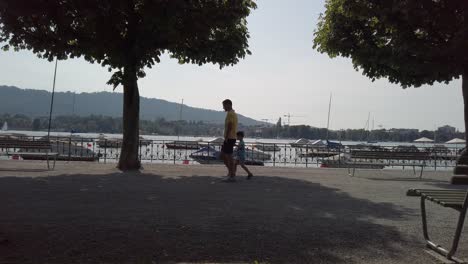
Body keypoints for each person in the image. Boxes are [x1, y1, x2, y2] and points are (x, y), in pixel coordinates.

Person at [220, 99, 238, 181]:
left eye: (224, 105)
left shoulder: (231, 114)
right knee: (224, 155)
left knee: (228, 156)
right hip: (230, 138)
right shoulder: (232, 113)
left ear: (228, 105)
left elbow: (230, 126)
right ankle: (231, 172)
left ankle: (232, 174)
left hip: (230, 138)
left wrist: (226, 137)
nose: (223, 107)